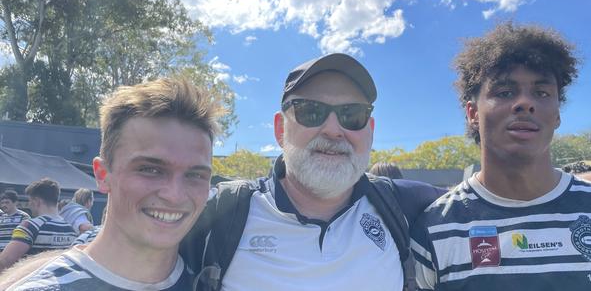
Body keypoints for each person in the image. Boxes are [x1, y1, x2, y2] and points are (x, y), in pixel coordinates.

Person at [410, 22, 591, 290]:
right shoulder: (434, 229)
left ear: (557, 113)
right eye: (505, 92)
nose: (525, 103)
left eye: (542, 92)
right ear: (473, 113)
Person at [181, 53, 448, 291]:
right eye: (311, 111)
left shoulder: (401, 204)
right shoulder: (218, 215)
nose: (333, 130)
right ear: (279, 130)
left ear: (370, 131)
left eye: (352, 115)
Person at [4, 78, 222, 290]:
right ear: (102, 174)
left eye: (195, 175)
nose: (175, 195)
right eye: (150, 170)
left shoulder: (217, 281)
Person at [0, 179, 76, 273]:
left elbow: (5, 261)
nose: (29, 204)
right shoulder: (71, 230)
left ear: (36, 201)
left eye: (30, 200)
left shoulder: (30, 226)